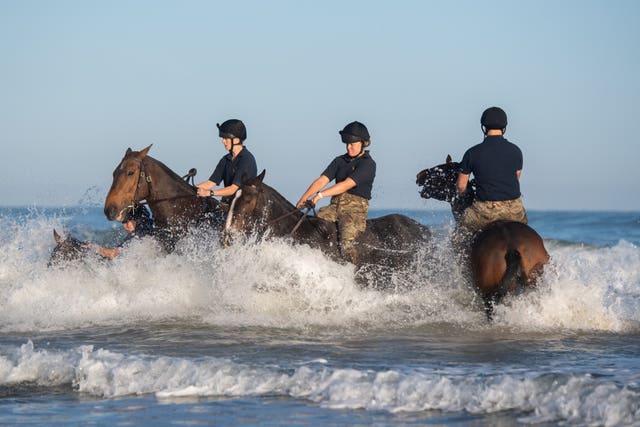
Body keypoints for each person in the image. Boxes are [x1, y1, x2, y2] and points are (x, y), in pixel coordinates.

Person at [296, 121, 376, 265]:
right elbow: (322, 180)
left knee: (347, 244)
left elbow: (346, 185)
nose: (348, 147)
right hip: (334, 207)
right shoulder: (340, 161)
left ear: (363, 143)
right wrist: (303, 198)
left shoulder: (368, 164)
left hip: (354, 211)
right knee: (312, 227)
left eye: (352, 144)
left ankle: (353, 273)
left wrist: (319, 196)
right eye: (347, 144)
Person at [456, 106, 528, 237]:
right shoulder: (516, 151)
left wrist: (464, 194)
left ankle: (459, 258)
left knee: (460, 232)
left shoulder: (472, 152)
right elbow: (516, 178)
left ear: (484, 127)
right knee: (525, 230)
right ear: (504, 127)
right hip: (514, 210)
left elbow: (461, 186)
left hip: (484, 212)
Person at [196, 119, 257, 205]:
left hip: (241, 209)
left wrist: (210, 193)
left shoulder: (247, 160)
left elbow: (233, 189)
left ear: (236, 140)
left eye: (226, 138)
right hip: (227, 205)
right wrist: (190, 188)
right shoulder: (225, 159)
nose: (223, 141)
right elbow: (210, 183)